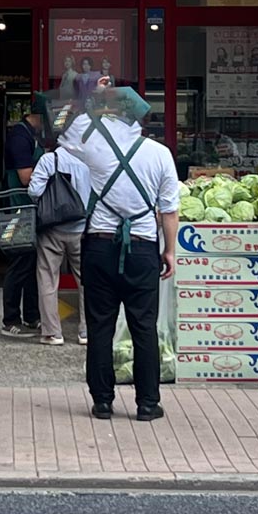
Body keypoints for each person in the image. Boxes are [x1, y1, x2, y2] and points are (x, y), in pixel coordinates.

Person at [63, 82, 178, 421]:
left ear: (110, 116)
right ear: (139, 119)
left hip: (99, 246)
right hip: (143, 250)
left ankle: (102, 401)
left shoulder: (93, 145)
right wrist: (169, 251)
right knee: (144, 326)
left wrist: (92, 97)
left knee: (101, 326)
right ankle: (147, 403)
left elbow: (63, 127)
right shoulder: (160, 154)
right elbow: (169, 211)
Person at [28, 133, 93, 347]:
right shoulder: (88, 161)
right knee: (87, 280)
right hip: (81, 229)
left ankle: (52, 332)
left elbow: (34, 191)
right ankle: (86, 331)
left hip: (52, 229)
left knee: (47, 278)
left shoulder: (48, 160)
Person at [0, 103, 45, 337]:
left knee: (32, 263)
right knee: (20, 262)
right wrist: (49, 166)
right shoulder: (19, 137)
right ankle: (10, 319)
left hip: (30, 209)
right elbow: (25, 177)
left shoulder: (30, 135)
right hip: (18, 210)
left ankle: (32, 315)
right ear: (37, 116)